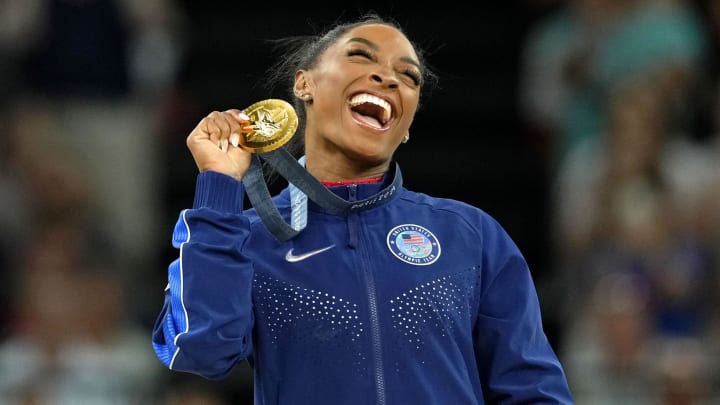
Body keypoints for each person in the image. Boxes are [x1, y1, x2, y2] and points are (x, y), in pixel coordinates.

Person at [151, 12, 573, 404]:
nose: (388, 78)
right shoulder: (247, 237)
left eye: (408, 77)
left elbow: (534, 390)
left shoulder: (469, 234)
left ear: (406, 126)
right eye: (360, 55)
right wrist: (219, 188)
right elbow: (201, 350)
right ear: (304, 84)